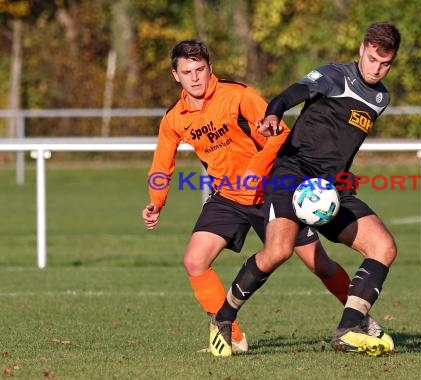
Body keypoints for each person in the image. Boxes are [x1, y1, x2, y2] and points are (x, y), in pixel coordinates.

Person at [141, 39, 382, 354]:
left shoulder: (237, 95)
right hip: (227, 197)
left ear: (210, 68)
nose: (196, 78)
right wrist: (156, 201)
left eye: (200, 69)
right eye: (188, 72)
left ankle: (361, 320)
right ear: (176, 75)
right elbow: (162, 163)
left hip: (270, 190)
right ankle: (233, 336)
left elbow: (280, 132)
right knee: (194, 261)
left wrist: (254, 172)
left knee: (319, 264)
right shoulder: (175, 118)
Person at [210, 22, 401, 357]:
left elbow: (344, 143)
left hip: (330, 188)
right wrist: (273, 115)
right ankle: (223, 317)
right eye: (372, 59)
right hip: (291, 174)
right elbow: (289, 96)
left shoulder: (381, 98)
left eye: (385, 63)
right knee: (278, 252)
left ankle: (349, 327)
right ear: (361, 50)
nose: (376, 68)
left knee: (384, 247)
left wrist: (344, 174)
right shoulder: (335, 76)